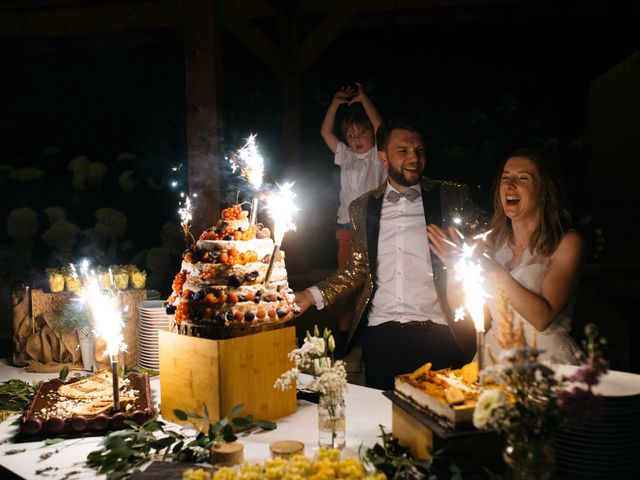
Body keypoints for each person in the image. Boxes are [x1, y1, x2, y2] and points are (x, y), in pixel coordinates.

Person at [295, 118, 486, 390]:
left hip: (440, 333)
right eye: (403, 151)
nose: (414, 158)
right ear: (382, 156)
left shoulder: (450, 196)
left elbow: (491, 235)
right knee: (383, 425)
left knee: (439, 424)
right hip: (382, 334)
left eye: (419, 150)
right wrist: (310, 295)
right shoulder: (362, 207)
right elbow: (357, 268)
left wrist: (468, 254)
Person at [427, 148, 584, 365]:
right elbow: (462, 308)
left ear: (544, 191)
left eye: (523, 178)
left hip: (546, 359)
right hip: (495, 356)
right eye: (505, 177)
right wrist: (455, 269)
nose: (510, 185)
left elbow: (542, 318)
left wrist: (490, 268)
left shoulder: (567, 243)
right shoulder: (491, 244)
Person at [320, 82, 386, 354]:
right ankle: (344, 340)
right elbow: (325, 132)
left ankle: (370, 335)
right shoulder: (346, 156)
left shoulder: (378, 156)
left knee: (372, 284)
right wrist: (335, 102)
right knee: (345, 285)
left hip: (373, 230)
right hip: (347, 230)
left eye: (362, 133)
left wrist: (363, 98)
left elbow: (382, 128)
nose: (356, 138)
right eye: (351, 134)